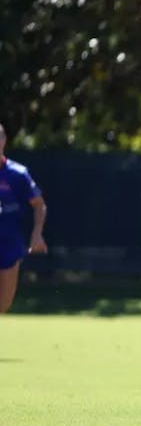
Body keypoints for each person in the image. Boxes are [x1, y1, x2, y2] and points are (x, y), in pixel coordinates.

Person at [0, 122, 48, 314]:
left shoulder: (18, 174)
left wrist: (37, 234)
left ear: (3, 141)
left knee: (3, 305)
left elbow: (39, 205)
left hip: (10, 243)